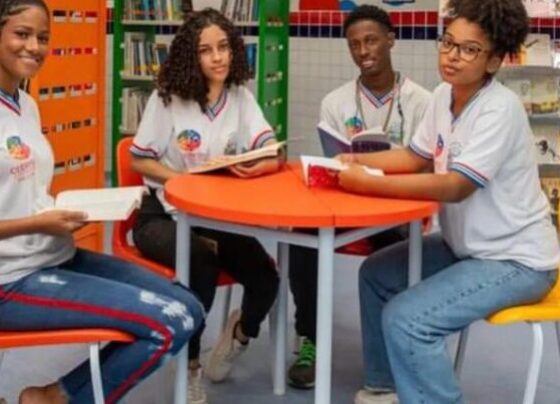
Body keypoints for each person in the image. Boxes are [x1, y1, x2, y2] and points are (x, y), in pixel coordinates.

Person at [334, 1, 560, 403]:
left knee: (409, 320)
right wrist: (356, 161)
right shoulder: (443, 95)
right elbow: (414, 157)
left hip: (517, 260)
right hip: (468, 248)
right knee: (376, 275)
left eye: (469, 49)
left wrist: (366, 184)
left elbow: (456, 186)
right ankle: (384, 389)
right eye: (448, 43)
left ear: (493, 61)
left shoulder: (499, 109)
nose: (452, 56)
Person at [0, 1, 204, 403]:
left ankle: (52, 396)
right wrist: (39, 224)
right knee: (171, 321)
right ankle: (58, 399)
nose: (34, 47)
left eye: (43, 37)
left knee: (190, 308)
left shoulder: (27, 104)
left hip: (52, 254)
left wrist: (73, 210)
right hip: (10, 279)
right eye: (21, 34)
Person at [130, 8, 281, 404]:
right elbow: (139, 159)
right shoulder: (168, 99)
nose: (218, 57)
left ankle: (238, 335)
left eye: (223, 47)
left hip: (213, 217)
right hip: (162, 215)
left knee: (266, 278)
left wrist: (262, 163)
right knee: (202, 264)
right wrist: (180, 181)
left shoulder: (240, 97)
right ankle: (191, 365)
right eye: (206, 50)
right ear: (190, 56)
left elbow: (271, 148)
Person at [287, 4, 431, 389]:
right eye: (354, 44)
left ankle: (390, 350)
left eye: (371, 41)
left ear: (391, 40)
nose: (363, 51)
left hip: (396, 209)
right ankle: (311, 337)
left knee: (391, 253)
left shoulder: (421, 101)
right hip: (347, 206)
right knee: (302, 237)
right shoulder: (335, 103)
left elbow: (426, 167)